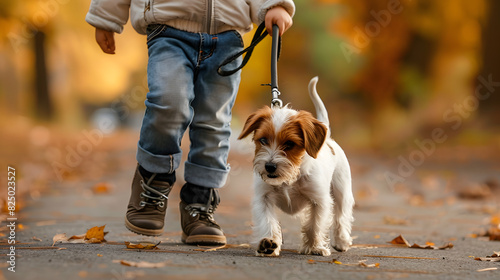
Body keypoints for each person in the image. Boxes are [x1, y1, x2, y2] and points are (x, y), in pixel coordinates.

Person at [86, 0, 294, 245]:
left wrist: (274, 4)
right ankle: (152, 184)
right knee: (168, 102)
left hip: (228, 36)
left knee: (213, 121)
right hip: (168, 28)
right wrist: (105, 17)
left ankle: (200, 203)